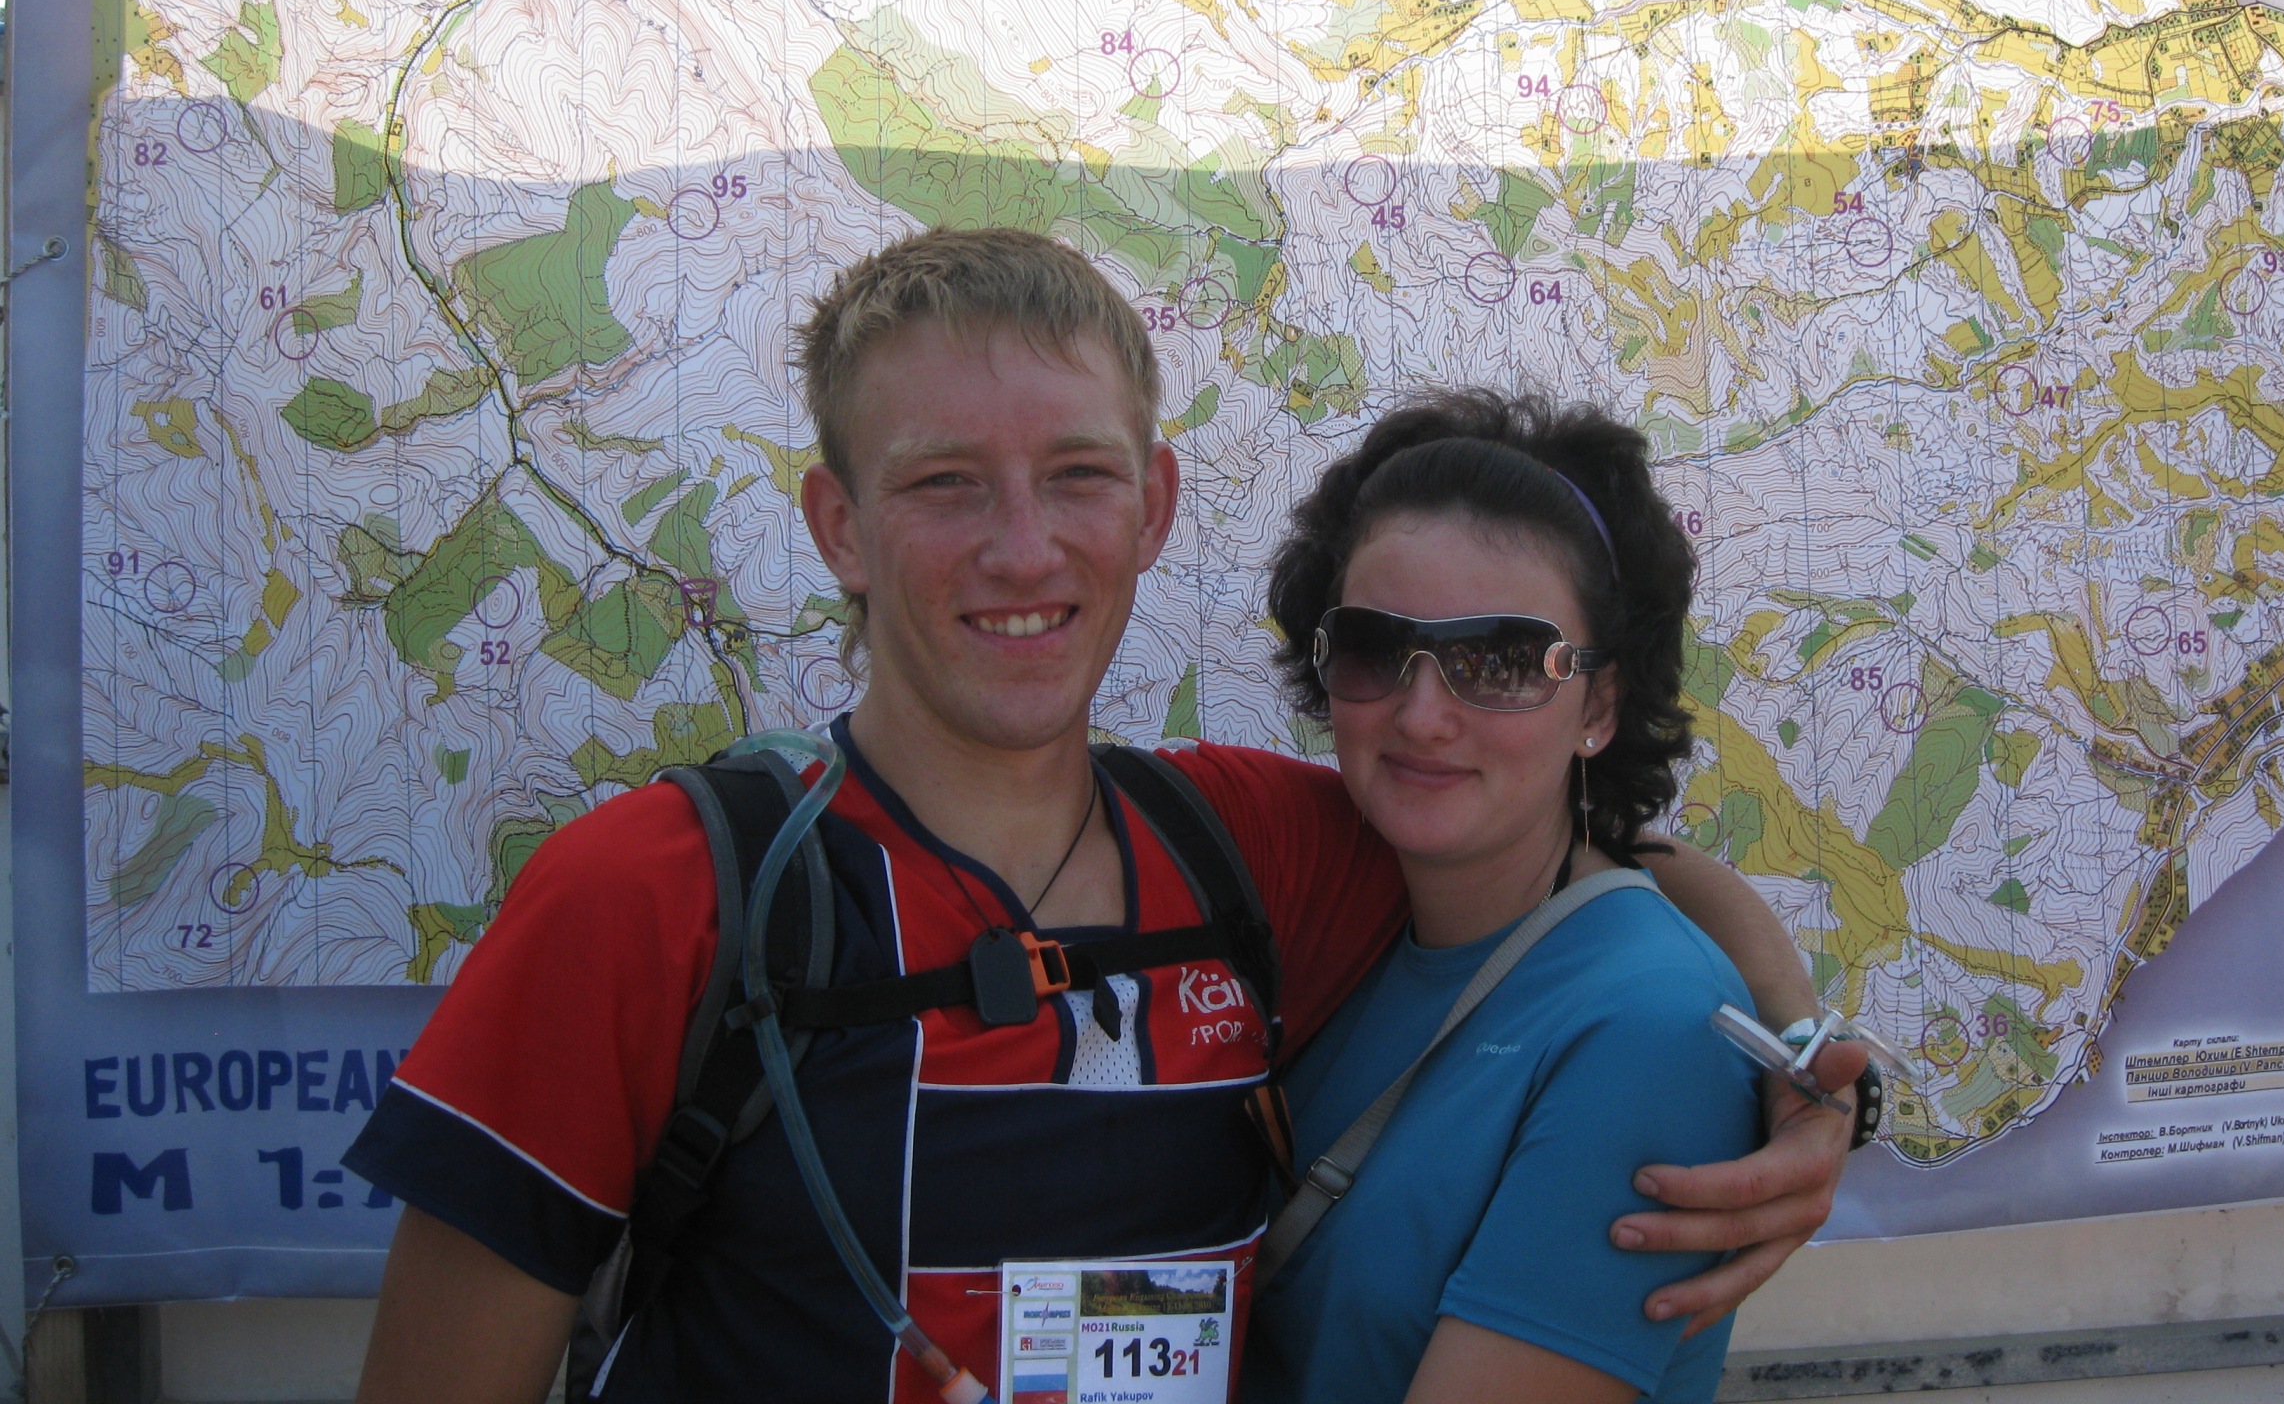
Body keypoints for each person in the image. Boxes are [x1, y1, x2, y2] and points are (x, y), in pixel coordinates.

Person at [346, 228, 1863, 1403]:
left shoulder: (1248, 849)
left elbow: (1574, 870)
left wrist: (1797, 1061)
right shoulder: (655, 892)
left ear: (1154, 508)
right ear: (839, 529)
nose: (1023, 549)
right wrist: (1795, 1052)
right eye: (945, 483)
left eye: (1078, 475)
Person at [1247, 392, 1765, 1404]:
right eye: (1373, 648)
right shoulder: (1343, 931)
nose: (1422, 715)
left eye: (1499, 661)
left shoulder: (1652, 1032)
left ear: (1599, 704)